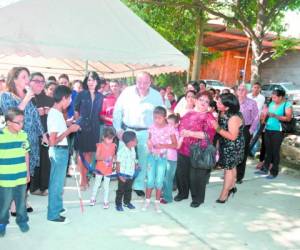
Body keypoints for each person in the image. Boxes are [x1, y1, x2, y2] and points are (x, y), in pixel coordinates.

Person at [0, 67, 48, 214]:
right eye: (23, 77)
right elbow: (11, 117)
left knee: (28, 171)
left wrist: (43, 134)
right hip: (14, 142)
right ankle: (14, 205)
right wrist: (26, 99)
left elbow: (35, 117)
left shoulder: (29, 95)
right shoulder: (6, 96)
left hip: (31, 139)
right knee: (16, 171)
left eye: (28, 77)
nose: (27, 80)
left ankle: (23, 199)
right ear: (14, 79)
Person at [113, 72, 163, 197]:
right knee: (124, 159)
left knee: (143, 160)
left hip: (146, 132)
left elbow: (160, 116)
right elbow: (117, 111)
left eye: (145, 82)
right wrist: (118, 129)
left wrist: (155, 135)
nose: (142, 85)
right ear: (136, 81)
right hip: (127, 131)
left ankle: (138, 185)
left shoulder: (156, 96)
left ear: (150, 82)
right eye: (139, 82)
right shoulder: (127, 92)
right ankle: (122, 185)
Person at [175, 92, 216, 207]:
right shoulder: (188, 113)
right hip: (183, 149)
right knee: (181, 174)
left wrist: (190, 133)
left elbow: (208, 135)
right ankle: (183, 193)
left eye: (206, 101)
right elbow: (180, 127)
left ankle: (197, 199)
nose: (203, 103)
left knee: (196, 177)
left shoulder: (209, 117)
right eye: (201, 100)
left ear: (209, 104)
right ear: (196, 100)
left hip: (199, 151)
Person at [47, 85, 80, 223]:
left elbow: (57, 130)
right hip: (58, 151)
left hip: (61, 151)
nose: (71, 101)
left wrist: (66, 124)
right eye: (70, 98)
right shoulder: (55, 114)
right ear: (64, 98)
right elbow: (53, 141)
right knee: (56, 183)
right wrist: (70, 130)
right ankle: (53, 214)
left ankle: (58, 207)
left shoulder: (57, 113)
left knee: (59, 183)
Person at [0, 108, 30, 237]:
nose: (21, 124)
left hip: (20, 175)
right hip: (5, 177)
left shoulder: (23, 135)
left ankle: (22, 220)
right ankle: (2, 222)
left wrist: (27, 172)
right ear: (8, 122)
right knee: (5, 203)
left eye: (23, 121)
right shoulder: (1, 136)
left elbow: (26, 153)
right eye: (18, 122)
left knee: (21, 201)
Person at [143, 106, 177, 212]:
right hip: (151, 157)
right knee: (150, 180)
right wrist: (148, 143)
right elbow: (148, 139)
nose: (156, 120)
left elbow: (175, 144)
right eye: (155, 118)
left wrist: (162, 146)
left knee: (159, 180)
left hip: (162, 158)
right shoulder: (152, 127)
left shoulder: (170, 128)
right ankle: (147, 201)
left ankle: (157, 202)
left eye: (159, 118)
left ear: (165, 117)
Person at [212, 93, 245, 203]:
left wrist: (217, 128)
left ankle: (224, 194)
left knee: (228, 169)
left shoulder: (234, 118)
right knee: (232, 167)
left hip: (232, 146)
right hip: (225, 143)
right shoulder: (222, 112)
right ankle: (232, 186)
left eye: (220, 102)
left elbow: (232, 136)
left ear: (227, 106)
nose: (217, 103)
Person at [74, 71, 104, 190]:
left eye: (94, 80)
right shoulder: (81, 94)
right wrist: (78, 124)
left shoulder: (100, 96)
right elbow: (76, 111)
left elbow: (101, 113)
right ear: (86, 81)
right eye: (89, 80)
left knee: (90, 153)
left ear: (97, 82)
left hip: (95, 126)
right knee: (81, 152)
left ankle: (85, 177)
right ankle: (83, 179)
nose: (91, 82)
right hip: (82, 126)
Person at [256, 88, 292, 179]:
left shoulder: (287, 105)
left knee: (275, 151)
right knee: (268, 150)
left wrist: (275, 116)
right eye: (272, 97)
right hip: (268, 129)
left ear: (281, 97)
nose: (273, 99)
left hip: (278, 131)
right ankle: (265, 168)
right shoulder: (271, 104)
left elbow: (288, 118)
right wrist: (264, 117)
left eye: (275, 97)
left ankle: (274, 172)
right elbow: (267, 114)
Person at [29, 72, 54, 196]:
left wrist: (51, 112)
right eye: (36, 81)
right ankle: (33, 187)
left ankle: (43, 187)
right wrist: (35, 113)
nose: (39, 83)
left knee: (45, 161)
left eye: (42, 81)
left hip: (46, 134)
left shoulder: (50, 99)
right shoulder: (26, 98)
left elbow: (58, 115)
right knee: (33, 161)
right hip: (30, 135)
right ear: (30, 82)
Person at [236, 84, 259, 184]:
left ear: (247, 92)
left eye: (243, 90)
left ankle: (239, 176)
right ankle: (229, 173)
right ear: (237, 91)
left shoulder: (252, 103)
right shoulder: (233, 101)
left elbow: (256, 118)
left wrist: (251, 131)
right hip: (233, 129)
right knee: (232, 151)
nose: (241, 91)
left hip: (245, 129)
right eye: (239, 89)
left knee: (242, 153)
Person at [90, 127, 117, 208]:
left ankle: (106, 200)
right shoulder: (100, 145)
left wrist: (114, 159)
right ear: (103, 137)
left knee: (106, 186)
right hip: (99, 169)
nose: (110, 141)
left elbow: (113, 155)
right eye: (108, 139)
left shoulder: (113, 146)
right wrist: (104, 158)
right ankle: (93, 198)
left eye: (112, 139)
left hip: (108, 169)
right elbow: (97, 157)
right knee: (97, 184)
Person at [160, 113, 181, 204]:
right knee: (164, 177)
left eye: (171, 124)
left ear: (176, 124)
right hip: (165, 157)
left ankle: (168, 198)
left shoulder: (175, 133)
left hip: (171, 160)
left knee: (168, 179)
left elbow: (174, 146)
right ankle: (164, 193)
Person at [115, 131, 138, 211]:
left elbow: (133, 159)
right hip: (123, 175)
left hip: (130, 174)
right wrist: (119, 175)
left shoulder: (133, 149)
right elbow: (118, 163)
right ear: (130, 142)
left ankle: (127, 202)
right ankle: (118, 204)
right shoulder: (122, 152)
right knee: (121, 190)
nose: (137, 141)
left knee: (129, 189)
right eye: (136, 139)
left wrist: (136, 166)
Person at [247, 82, 265, 156]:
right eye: (254, 87)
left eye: (258, 87)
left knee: (255, 135)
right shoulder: (248, 95)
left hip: (255, 119)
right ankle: (245, 150)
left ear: (260, 89)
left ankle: (252, 152)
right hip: (246, 118)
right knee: (246, 134)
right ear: (252, 88)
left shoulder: (261, 97)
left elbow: (257, 108)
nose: (256, 89)